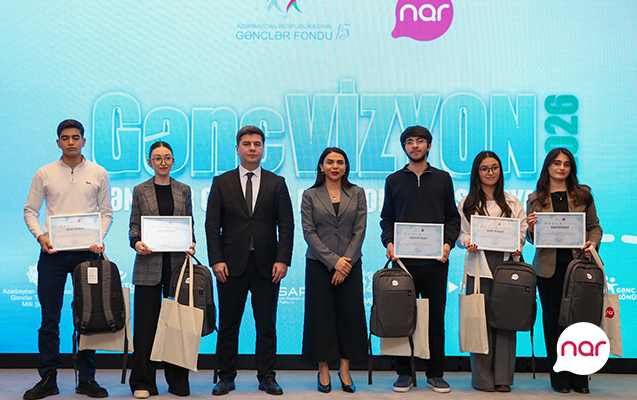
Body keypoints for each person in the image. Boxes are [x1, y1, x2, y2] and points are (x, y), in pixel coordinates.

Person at [23, 119, 113, 399]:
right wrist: (41, 236)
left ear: (83, 141)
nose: (71, 142)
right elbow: (30, 210)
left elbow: (107, 212)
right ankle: (48, 377)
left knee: (88, 318)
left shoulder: (98, 172)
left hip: (87, 255)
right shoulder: (45, 173)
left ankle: (87, 378)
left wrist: (99, 238)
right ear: (58, 142)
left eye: (76, 137)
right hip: (52, 254)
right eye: (65, 138)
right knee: (49, 318)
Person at [206, 125, 294, 396]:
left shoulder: (276, 182)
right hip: (230, 265)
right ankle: (226, 377)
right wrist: (216, 260)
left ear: (263, 149)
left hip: (268, 265)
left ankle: (267, 376)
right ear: (237, 149)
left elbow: (286, 225)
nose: (252, 148)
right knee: (228, 324)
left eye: (257, 144)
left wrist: (283, 259)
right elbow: (212, 225)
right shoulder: (222, 182)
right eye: (247, 144)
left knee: (266, 324)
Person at [380, 125, 460, 393]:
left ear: (429, 145)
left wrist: (448, 244)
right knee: (402, 318)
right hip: (403, 263)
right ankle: (404, 373)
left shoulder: (443, 178)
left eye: (420, 141)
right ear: (404, 147)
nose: (415, 146)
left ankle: (435, 374)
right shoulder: (393, 180)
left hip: (436, 262)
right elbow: (387, 218)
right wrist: (389, 243)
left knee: (435, 319)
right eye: (410, 141)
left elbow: (452, 217)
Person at [526, 147, 602, 394]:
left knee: (580, 322)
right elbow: (533, 239)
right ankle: (560, 379)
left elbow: (595, 227)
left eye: (566, 164)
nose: (561, 168)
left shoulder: (583, 194)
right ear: (548, 166)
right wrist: (530, 228)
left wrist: (592, 244)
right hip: (548, 269)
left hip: (578, 266)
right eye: (557, 163)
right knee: (552, 323)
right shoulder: (535, 198)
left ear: (571, 168)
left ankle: (580, 378)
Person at [128, 141, 196, 398]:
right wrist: (136, 242)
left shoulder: (184, 190)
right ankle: (143, 383)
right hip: (148, 265)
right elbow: (134, 225)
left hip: (177, 266)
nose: (163, 162)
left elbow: (189, 224)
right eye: (157, 158)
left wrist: (191, 243)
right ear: (150, 162)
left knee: (177, 326)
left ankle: (178, 382)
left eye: (167, 158)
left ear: (173, 161)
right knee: (145, 327)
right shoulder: (140, 190)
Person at [456, 151, 527, 392]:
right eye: (484, 168)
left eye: (495, 167)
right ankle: (483, 379)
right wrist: (467, 242)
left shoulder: (513, 202)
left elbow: (522, 231)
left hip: (508, 268)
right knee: (480, 322)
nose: (490, 173)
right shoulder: (467, 203)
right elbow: (461, 234)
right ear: (477, 173)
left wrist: (519, 242)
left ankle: (503, 379)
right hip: (479, 268)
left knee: (506, 322)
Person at [301, 148, 368, 393]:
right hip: (319, 264)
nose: (335, 166)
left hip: (351, 263)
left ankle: (345, 369)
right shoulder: (310, 195)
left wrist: (345, 262)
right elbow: (309, 232)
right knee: (321, 317)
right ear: (321, 166)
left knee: (350, 316)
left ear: (346, 166)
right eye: (329, 162)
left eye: (340, 162)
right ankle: (323, 369)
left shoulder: (357, 192)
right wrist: (334, 262)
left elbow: (360, 230)